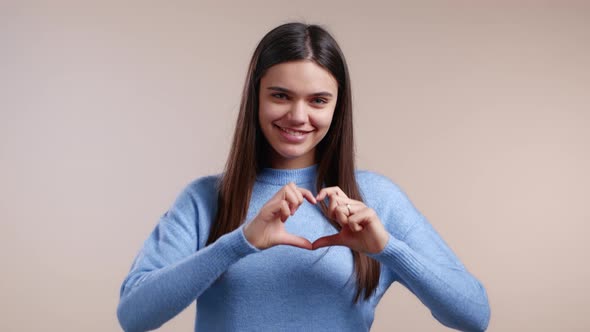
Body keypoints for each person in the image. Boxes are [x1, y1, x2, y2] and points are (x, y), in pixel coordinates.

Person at [116, 22, 491, 332]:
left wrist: (387, 249)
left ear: (336, 107)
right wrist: (239, 242)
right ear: (256, 97)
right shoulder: (206, 199)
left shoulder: (375, 199)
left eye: (317, 100)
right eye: (280, 96)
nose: (298, 116)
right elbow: (133, 315)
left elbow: (474, 315)